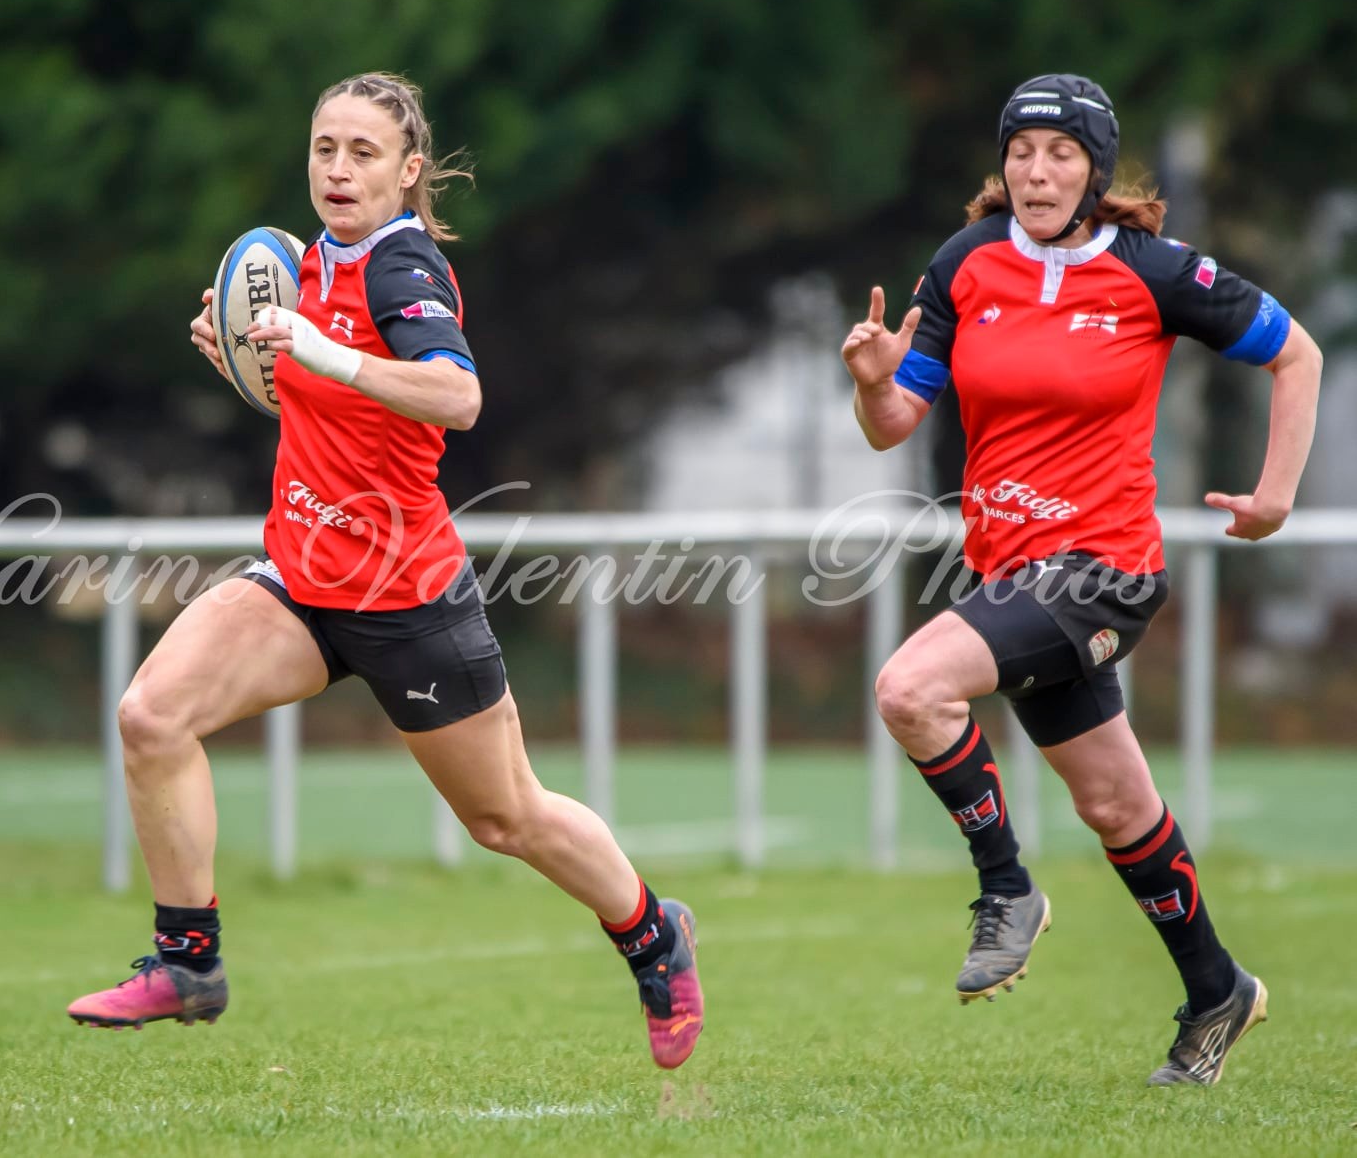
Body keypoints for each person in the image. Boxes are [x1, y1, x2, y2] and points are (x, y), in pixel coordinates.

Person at [66, 71, 704, 1069]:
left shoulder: (401, 269)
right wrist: (248, 364)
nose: (338, 169)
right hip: (299, 580)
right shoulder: (305, 261)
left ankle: (654, 935)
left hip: (406, 598)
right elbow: (337, 414)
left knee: (508, 817)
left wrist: (323, 351)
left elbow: (457, 399)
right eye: (325, 148)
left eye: (363, 153)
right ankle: (189, 963)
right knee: (153, 716)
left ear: (408, 174)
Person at [841, 73, 1320, 1086]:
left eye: (1061, 153)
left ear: (1094, 170)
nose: (1037, 169)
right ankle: (1217, 989)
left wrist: (1275, 496)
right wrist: (876, 378)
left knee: (908, 689)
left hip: (1103, 571)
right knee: (1115, 806)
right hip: (1012, 573)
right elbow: (896, 427)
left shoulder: (1155, 272)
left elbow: (1299, 356)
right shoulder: (967, 263)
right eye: (1022, 150)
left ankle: (1007, 888)